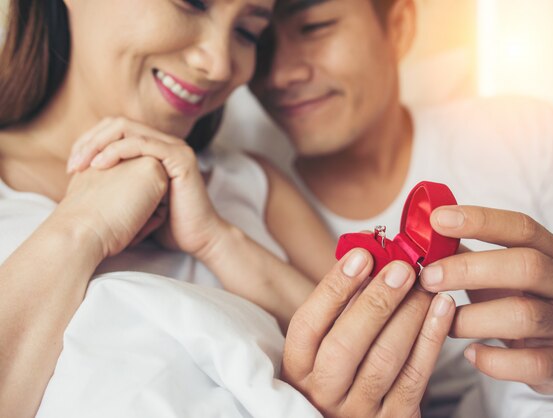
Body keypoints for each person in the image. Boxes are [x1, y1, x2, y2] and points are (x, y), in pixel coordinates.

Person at [0, 1, 457, 417]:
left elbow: (404, 382)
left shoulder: (252, 186)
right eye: (190, 4)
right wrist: (81, 226)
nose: (219, 65)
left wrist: (217, 240)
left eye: (248, 32)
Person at [247, 0, 553, 414]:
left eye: (314, 28)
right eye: (258, 41)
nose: (281, 74)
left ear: (400, 26)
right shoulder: (246, 196)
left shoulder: (520, 131)